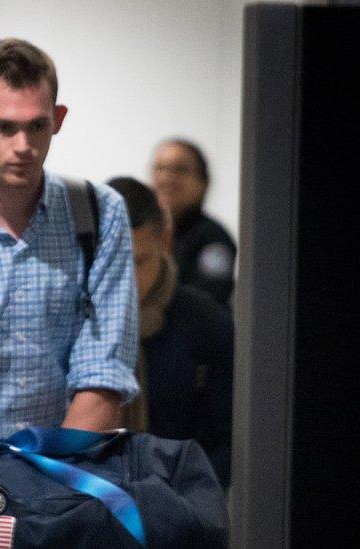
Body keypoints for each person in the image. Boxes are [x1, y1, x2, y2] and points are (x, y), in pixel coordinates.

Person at [0, 38, 138, 447]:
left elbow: (104, 369)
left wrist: (55, 474)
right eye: (5, 127)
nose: (23, 146)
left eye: (37, 125)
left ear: (58, 118)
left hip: (65, 472)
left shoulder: (98, 212)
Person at [108, 176, 232, 487]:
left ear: (164, 241)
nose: (126, 277)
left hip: (182, 506)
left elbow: (230, 437)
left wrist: (187, 502)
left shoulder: (207, 322)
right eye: (111, 260)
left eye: (138, 261)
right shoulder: (72, 317)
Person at [150, 138, 236, 307]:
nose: (166, 178)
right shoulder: (143, 234)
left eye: (179, 170)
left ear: (202, 183)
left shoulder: (214, 239)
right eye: (160, 169)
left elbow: (209, 301)